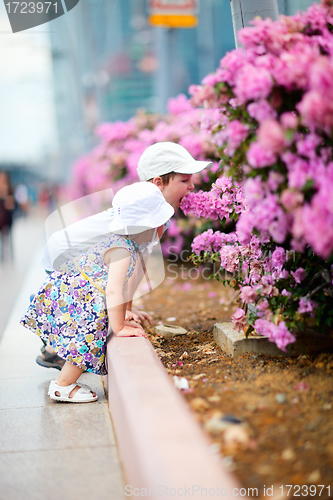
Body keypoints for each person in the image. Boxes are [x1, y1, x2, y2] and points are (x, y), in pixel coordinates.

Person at [36, 141, 213, 369]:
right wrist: (120, 320)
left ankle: (54, 347)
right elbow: (127, 272)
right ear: (158, 183)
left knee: (101, 301)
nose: (192, 187)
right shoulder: (139, 219)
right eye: (184, 180)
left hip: (77, 256)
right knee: (91, 304)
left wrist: (126, 309)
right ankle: (55, 349)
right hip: (65, 256)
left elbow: (137, 269)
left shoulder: (155, 218)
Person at [20, 182, 174, 402]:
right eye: (162, 223)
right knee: (88, 338)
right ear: (148, 226)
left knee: (88, 336)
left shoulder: (125, 243)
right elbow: (113, 291)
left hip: (77, 293)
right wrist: (119, 328)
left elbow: (118, 288)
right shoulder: (122, 250)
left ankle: (64, 380)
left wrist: (123, 315)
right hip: (79, 297)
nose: (164, 228)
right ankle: (62, 386)